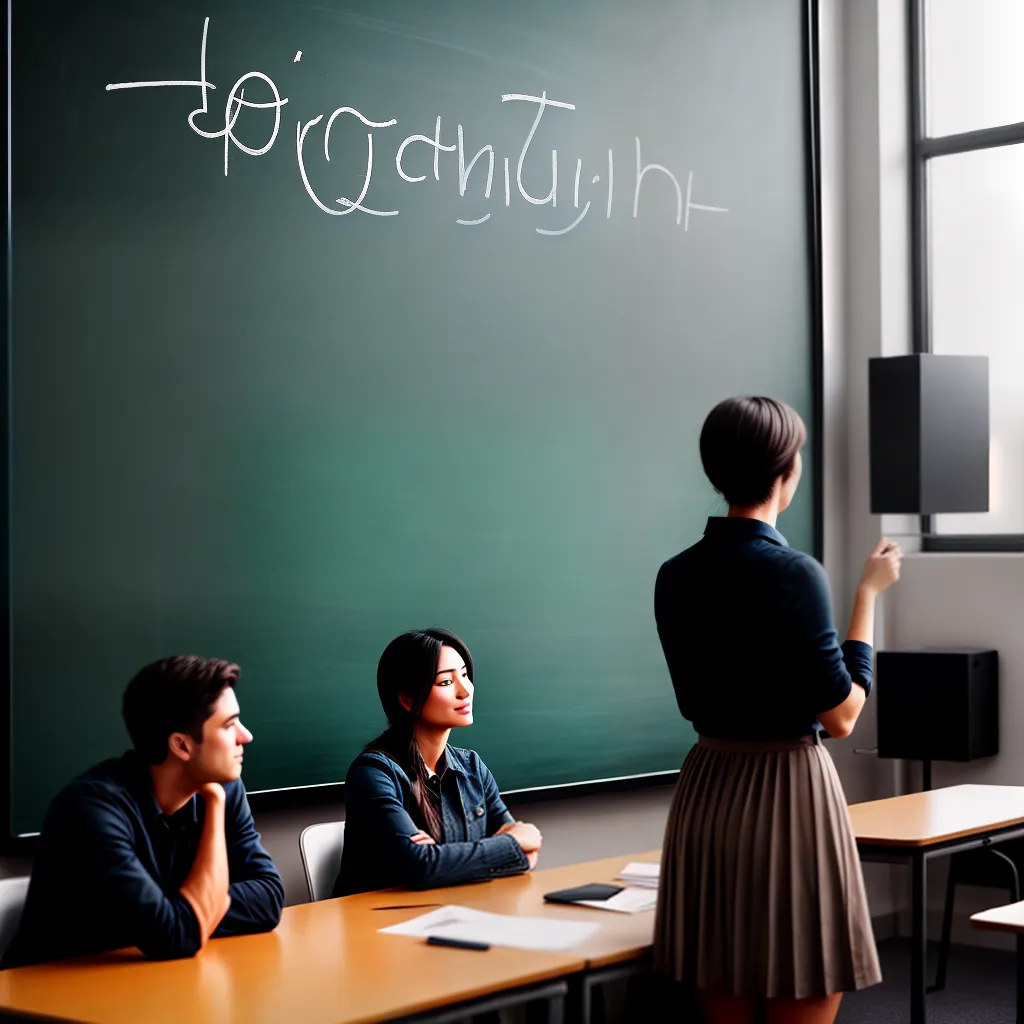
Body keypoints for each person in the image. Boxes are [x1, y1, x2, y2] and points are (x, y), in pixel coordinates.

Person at [652, 396, 902, 1024]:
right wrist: (867, 598)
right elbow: (843, 715)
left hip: (707, 794)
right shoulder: (795, 573)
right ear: (785, 472)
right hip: (788, 796)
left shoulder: (673, 575)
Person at [3, 656, 284, 968]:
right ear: (182, 746)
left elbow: (268, 898)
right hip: (45, 998)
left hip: (149, 982)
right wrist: (177, 915)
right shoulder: (91, 810)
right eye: (229, 725)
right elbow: (176, 936)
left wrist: (179, 910)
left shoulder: (221, 787)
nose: (246, 736)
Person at [334, 628, 542, 896]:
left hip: (454, 911)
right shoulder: (374, 772)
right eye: (445, 682)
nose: (465, 691)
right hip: (380, 925)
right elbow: (421, 868)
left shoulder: (472, 767)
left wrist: (442, 857)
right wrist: (510, 844)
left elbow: (525, 857)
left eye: (465, 675)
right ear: (408, 700)